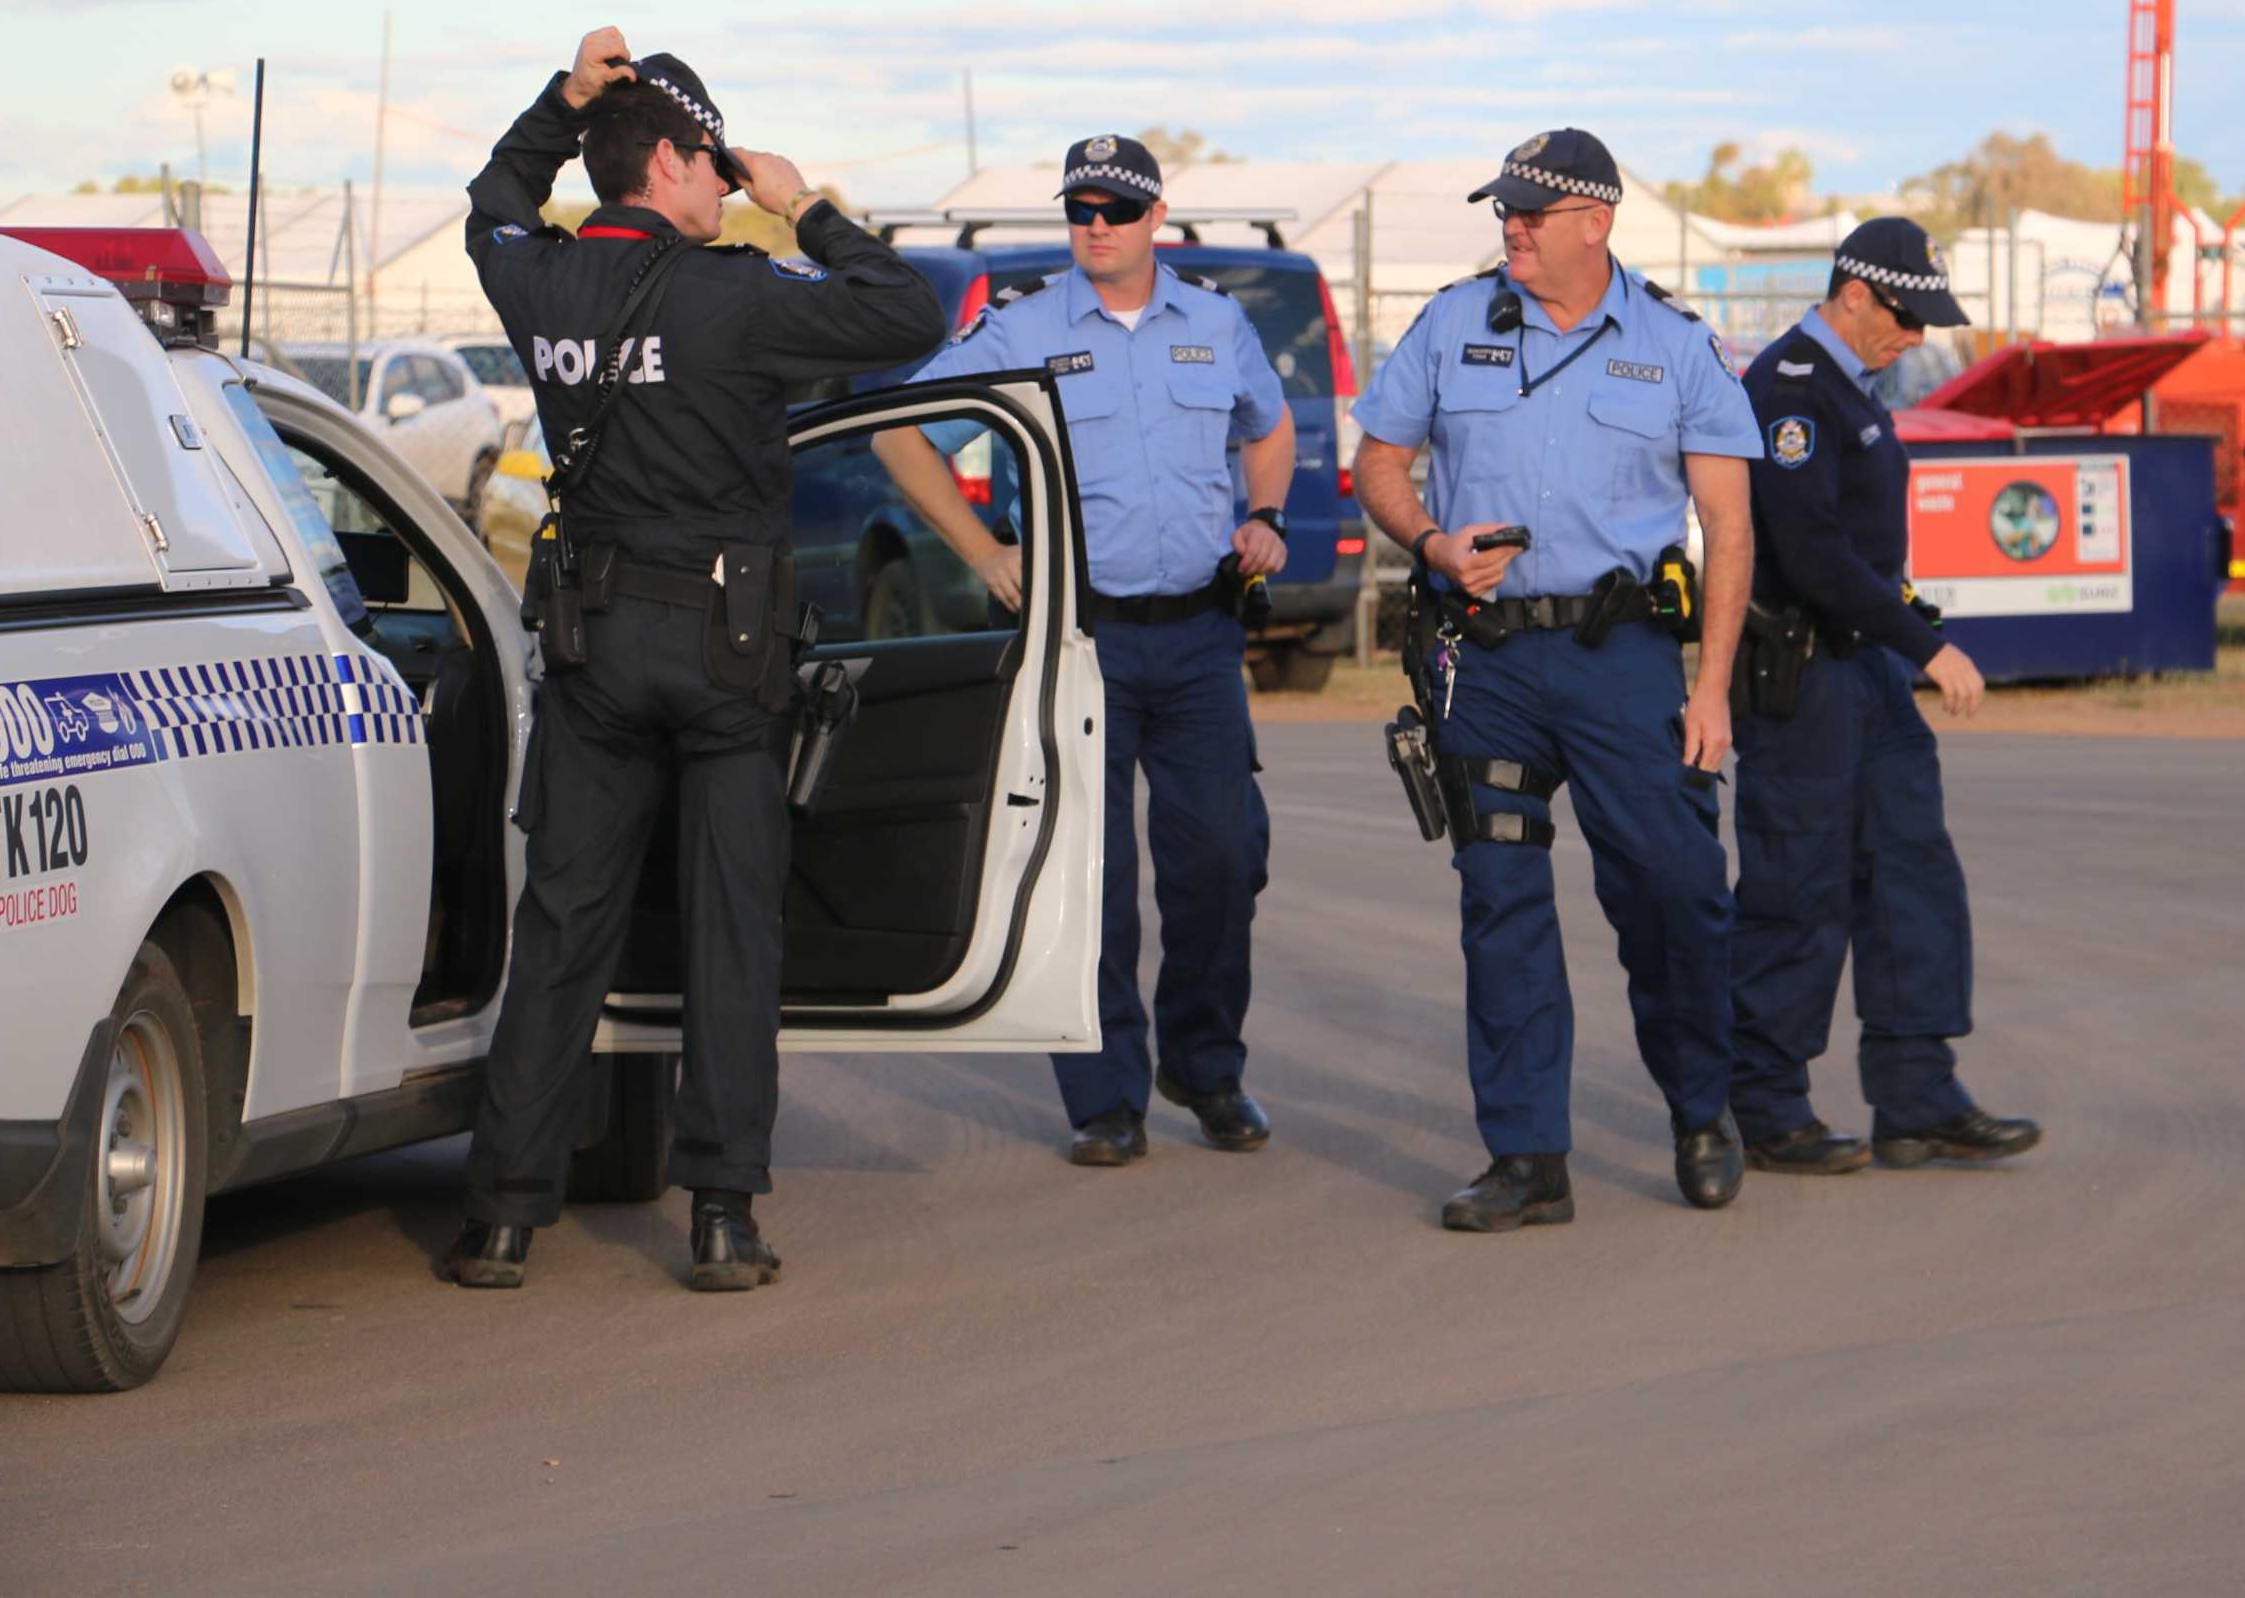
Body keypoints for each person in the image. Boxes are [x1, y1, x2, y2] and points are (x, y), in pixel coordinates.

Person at [445, 26, 947, 1291]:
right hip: (727, 655)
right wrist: (808, 206)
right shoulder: (735, 289)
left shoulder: (536, 277)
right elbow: (909, 312)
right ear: (665, 158)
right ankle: (722, 1208)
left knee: (563, 919)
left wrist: (566, 98)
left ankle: (506, 1207)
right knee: (733, 927)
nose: (729, 184)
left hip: (595, 644)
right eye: (713, 163)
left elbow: (496, 197)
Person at [1351, 128, 1763, 1232]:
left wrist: (1711, 686)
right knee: (1502, 902)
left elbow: (1728, 522)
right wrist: (1433, 542)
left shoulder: (1677, 344)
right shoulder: (1452, 320)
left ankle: (1701, 1109)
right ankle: (1528, 1155)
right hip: (1484, 658)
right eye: (1506, 209)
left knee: (1673, 888)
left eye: (1534, 210)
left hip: (1621, 659)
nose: (1513, 226)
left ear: (1599, 219)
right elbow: (1377, 460)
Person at [875, 135, 1293, 1167]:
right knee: (1094, 878)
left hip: (1199, 634)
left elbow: (1268, 425)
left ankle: (1205, 1065)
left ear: (1157, 218)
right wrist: (985, 550)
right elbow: (899, 433)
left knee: (1222, 859)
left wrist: (1269, 510)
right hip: (1082, 638)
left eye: (1114, 207)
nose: (1095, 224)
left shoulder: (1216, 320)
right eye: (1080, 208)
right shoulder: (1022, 327)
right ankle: (1106, 1096)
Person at [1728, 218, 2041, 1175]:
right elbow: (1813, 551)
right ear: (1854, 294)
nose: (1916, 336)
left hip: (1865, 669)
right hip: (1805, 673)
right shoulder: (1788, 390)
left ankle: (1917, 1095)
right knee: (1799, 888)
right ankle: (1768, 1102)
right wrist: (1927, 646)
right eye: (1907, 317)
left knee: (1911, 872)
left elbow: (1865, 556)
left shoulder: (1853, 389)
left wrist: (1901, 635)